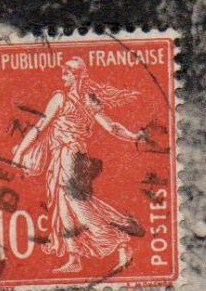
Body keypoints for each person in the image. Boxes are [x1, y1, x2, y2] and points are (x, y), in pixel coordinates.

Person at [9, 56, 146, 275]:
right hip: (66, 156)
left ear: (77, 76)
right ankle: (75, 257)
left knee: (78, 206)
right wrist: (133, 137)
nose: (63, 77)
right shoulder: (84, 100)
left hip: (70, 156)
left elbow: (40, 127)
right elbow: (112, 128)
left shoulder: (62, 99)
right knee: (63, 206)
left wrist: (22, 152)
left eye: (67, 73)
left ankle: (119, 241)